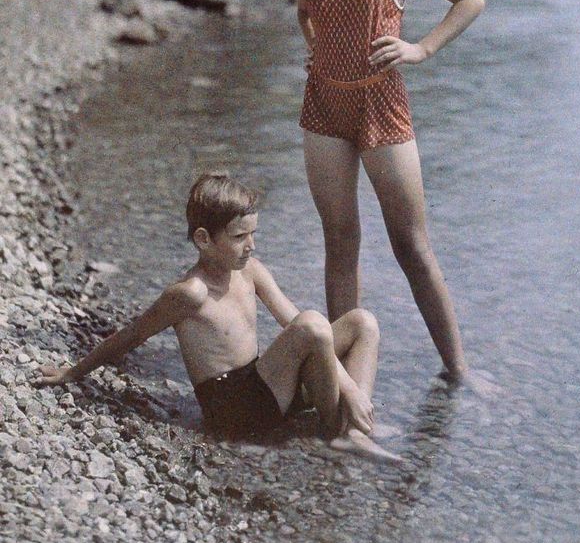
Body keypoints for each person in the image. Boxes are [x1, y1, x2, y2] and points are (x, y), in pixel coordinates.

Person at [296, 0, 495, 395]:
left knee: (411, 243)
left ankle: (459, 370)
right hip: (323, 108)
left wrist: (421, 49)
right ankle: (339, 381)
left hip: (382, 105)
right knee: (341, 240)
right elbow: (305, 13)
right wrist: (315, 50)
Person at [36, 172, 398, 461]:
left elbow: (293, 320)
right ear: (203, 239)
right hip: (235, 411)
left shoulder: (250, 269)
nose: (251, 245)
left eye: (253, 234)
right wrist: (73, 372)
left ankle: (355, 427)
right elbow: (132, 335)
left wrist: (348, 387)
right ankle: (339, 431)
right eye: (240, 236)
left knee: (362, 322)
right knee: (314, 323)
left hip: (265, 388)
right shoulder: (190, 293)